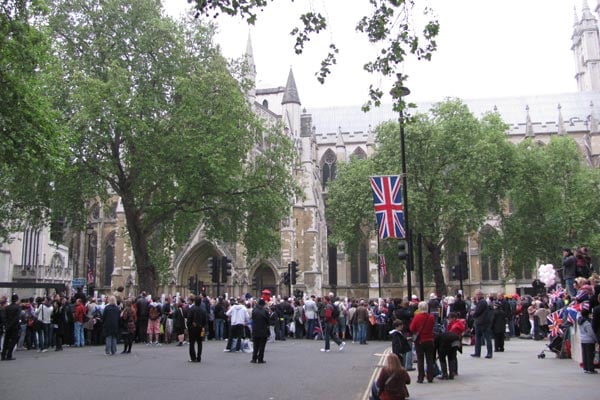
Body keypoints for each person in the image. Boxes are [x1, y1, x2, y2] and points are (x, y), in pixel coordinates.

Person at [409, 301, 436, 383]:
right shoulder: (431, 317)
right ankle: (430, 377)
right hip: (429, 340)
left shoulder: (417, 317)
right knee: (430, 359)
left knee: (420, 360)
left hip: (420, 340)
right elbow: (432, 327)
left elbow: (411, 328)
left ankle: (420, 378)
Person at [471, 289, 493, 359]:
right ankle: (477, 353)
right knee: (478, 338)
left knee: (487, 338)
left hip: (483, 322)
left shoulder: (482, 302)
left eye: (477, 294)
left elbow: (478, 311)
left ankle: (489, 353)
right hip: (480, 322)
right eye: (476, 294)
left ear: (480, 295)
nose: (476, 296)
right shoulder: (481, 302)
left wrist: (473, 314)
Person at [578, 302, 598, 374]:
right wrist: (596, 339)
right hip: (589, 340)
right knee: (590, 355)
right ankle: (590, 368)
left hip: (583, 339)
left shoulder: (580, 321)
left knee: (585, 354)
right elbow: (591, 333)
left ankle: (586, 367)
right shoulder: (587, 323)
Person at [187, 296, 208, 363]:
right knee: (199, 342)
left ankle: (193, 357)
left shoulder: (192, 309)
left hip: (193, 328)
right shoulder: (203, 310)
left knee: (192, 342)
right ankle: (199, 357)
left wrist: (189, 326)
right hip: (200, 328)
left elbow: (189, 319)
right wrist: (202, 326)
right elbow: (205, 320)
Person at [1, 294, 21, 361]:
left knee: (6, 341)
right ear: (17, 299)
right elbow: (17, 318)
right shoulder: (18, 307)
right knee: (13, 341)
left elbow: (4, 317)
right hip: (14, 327)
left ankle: (3, 355)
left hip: (8, 327)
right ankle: (9, 354)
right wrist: (11, 324)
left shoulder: (7, 307)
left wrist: (7, 325)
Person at [251, 298, 270, 364]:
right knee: (262, 346)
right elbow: (268, 320)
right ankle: (260, 359)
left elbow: (252, 318)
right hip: (263, 330)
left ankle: (254, 358)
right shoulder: (265, 311)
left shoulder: (254, 310)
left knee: (255, 345)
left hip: (255, 329)